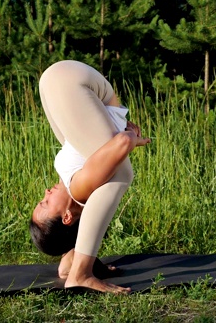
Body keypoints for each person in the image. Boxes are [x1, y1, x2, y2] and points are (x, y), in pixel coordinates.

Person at [29, 60, 151, 293]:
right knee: (119, 173)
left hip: (68, 83)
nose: (45, 192)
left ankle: (79, 269)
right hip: (57, 81)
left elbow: (123, 141)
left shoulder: (77, 186)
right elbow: (122, 140)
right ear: (66, 217)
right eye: (45, 203)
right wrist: (126, 133)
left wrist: (130, 138)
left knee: (121, 173)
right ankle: (79, 272)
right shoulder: (78, 189)